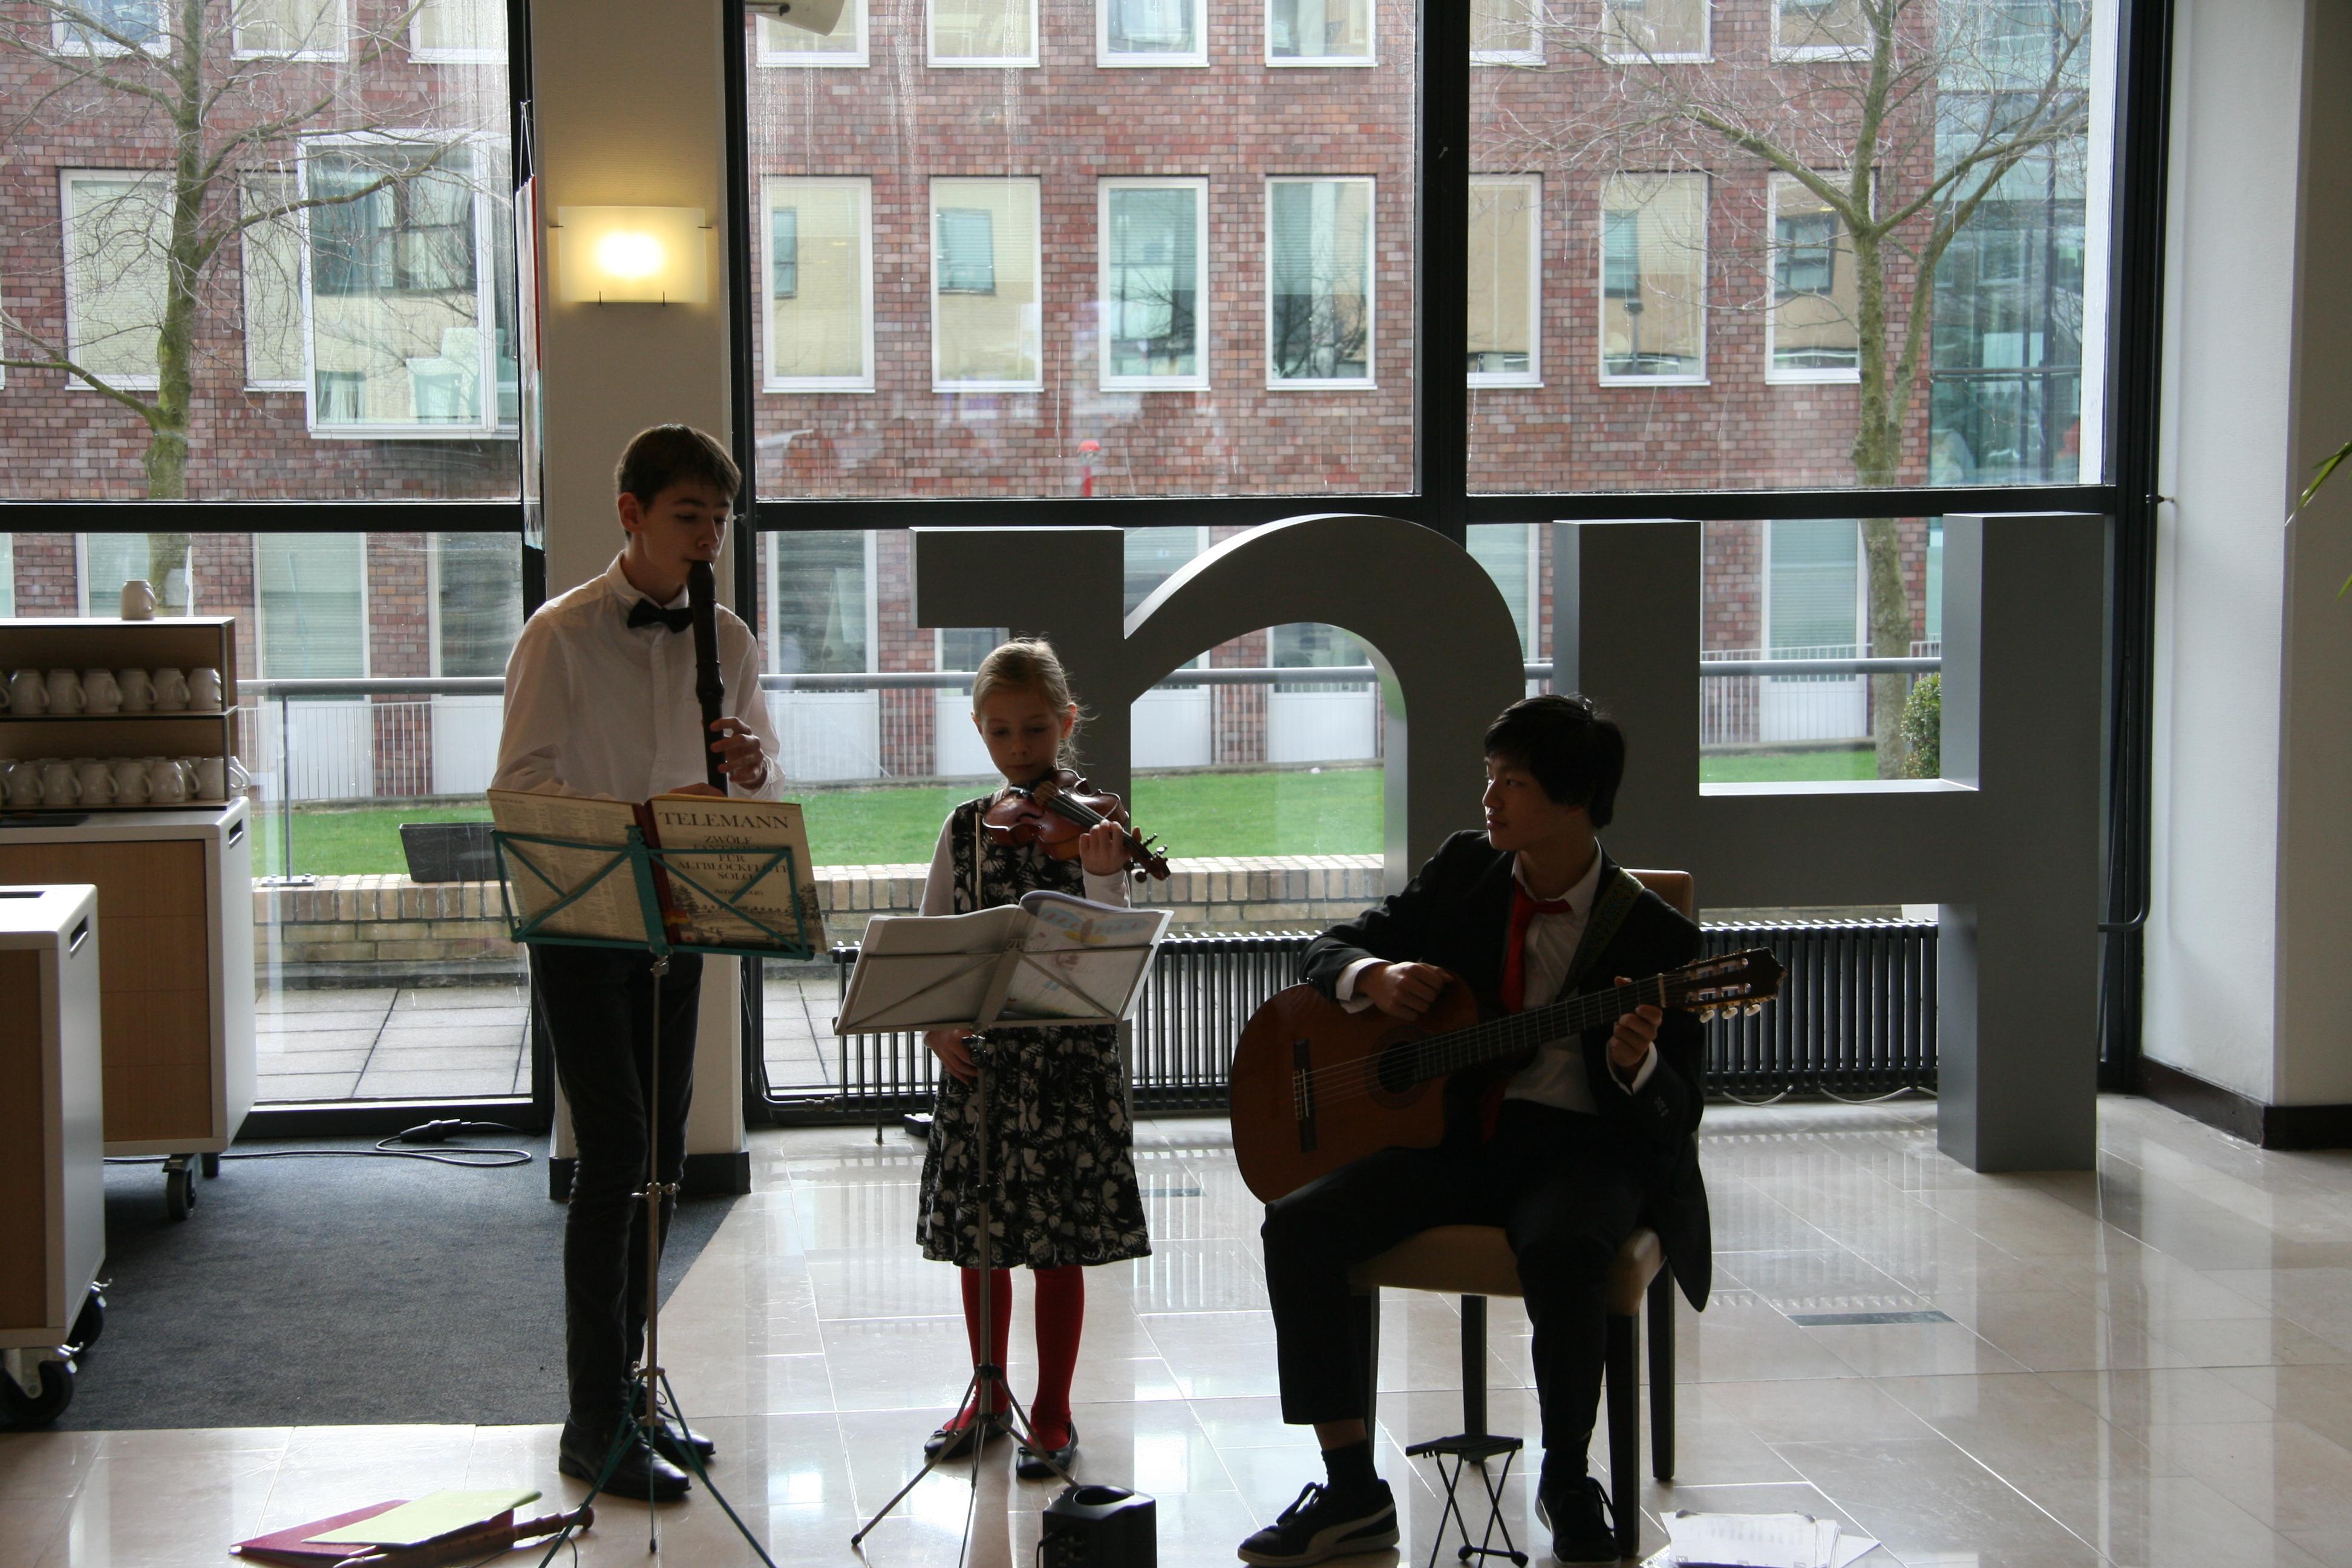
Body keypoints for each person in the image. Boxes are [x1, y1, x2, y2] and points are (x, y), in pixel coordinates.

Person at [1238, 694, 1711, 1568]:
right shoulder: (1466, 869)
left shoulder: (1656, 937)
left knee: (1565, 1248)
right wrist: (1373, 977)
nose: (1489, 799)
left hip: (1580, 1150)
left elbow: (1678, 1114)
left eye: (1513, 783)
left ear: (1575, 799)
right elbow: (1331, 947)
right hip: (1456, 1139)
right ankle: (1352, 1492)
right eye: (1489, 778)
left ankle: (1566, 1478)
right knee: (1298, 1225)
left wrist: (1637, 1064)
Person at [492, 423, 784, 1503]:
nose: (708, 538)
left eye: (720, 519)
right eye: (687, 516)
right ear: (632, 514)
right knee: (613, 1155)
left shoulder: (730, 638)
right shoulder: (562, 634)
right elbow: (522, 783)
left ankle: (632, 1385)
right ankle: (592, 1422)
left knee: (660, 1157)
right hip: (589, 915)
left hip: (682, 916)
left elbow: (758, 780)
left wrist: (749, 766)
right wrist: (633, 823)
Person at [915, 639, 1151, 1481]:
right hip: (984, 1064)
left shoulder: (1095, 826)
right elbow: (934, 939)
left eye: (1037, 729)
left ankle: (1052, 1409)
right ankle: (987, 1396)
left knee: (1060, 1244)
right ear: (980, 730)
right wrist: (939, 1024)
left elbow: (1113, 947)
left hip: (1067, 1064)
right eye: (1002, 732)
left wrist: (1104, 876)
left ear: (1067, 722)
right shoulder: (964, 829)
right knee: (981, 1241)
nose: (1020, 748)